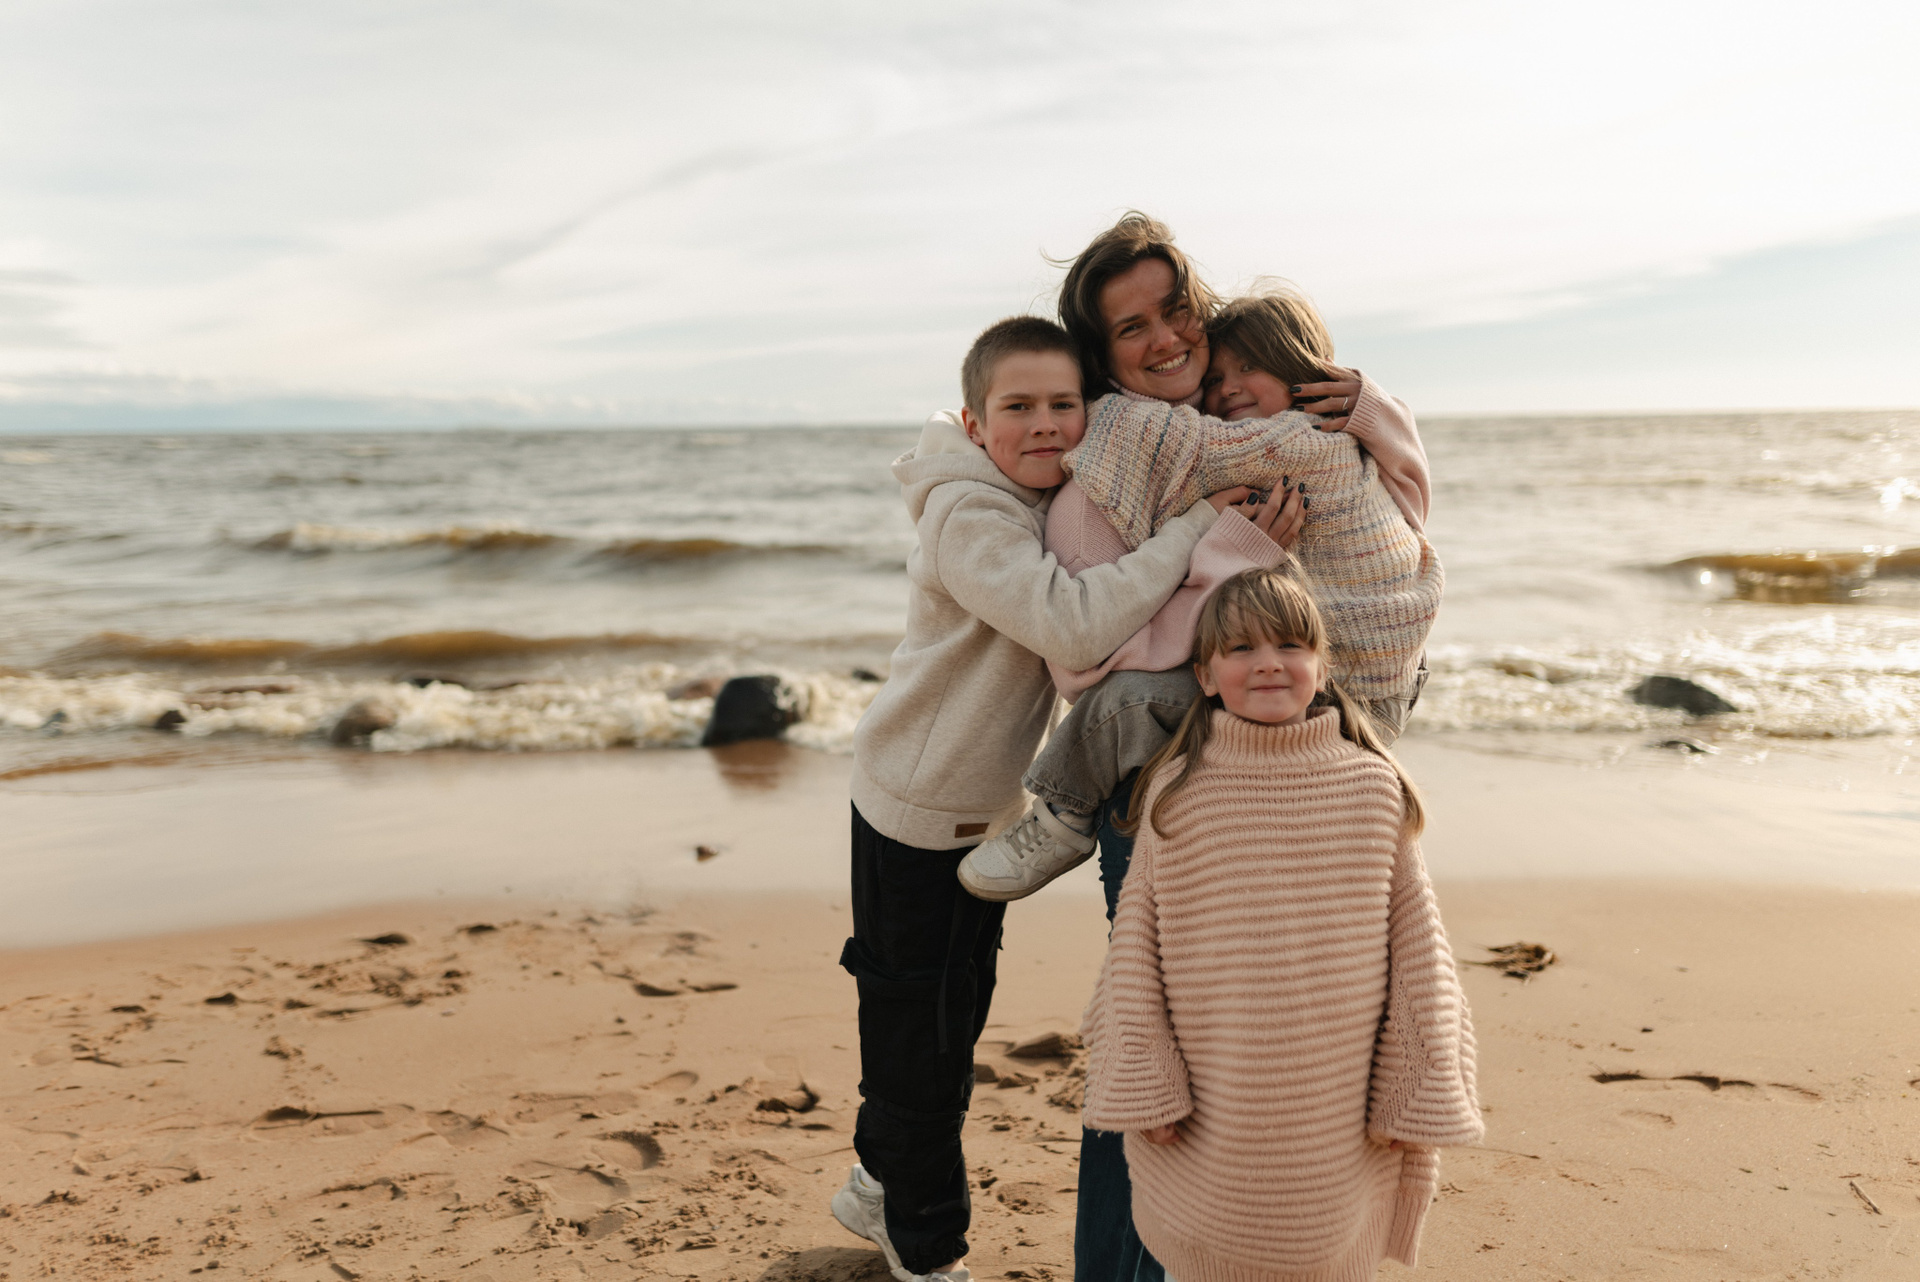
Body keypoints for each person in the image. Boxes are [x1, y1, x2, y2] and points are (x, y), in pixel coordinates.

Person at [955, 213, 1439, 1282]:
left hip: (1305, 783)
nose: (1166, 338)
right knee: (1152, 1044)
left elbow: (1392, 517)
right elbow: (1091, 662)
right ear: (1103, 354)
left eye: (1175, 309)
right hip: (1170, 799)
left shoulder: (1268, 421)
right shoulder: (1108, 478)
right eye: (1131, 328)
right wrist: (1233, 550)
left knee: (1290, 1043)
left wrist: (1370, 408)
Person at [832, 315, 1283, 1282]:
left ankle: (878, 1178)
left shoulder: (1037, 492)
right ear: (973, 421)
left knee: (949, 1013)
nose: (1044, 425)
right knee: (921, 1031)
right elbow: (1073, 625)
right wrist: (1199, 530)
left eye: (1064, 405)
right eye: (1019, 407)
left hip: (979, 805)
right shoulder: (970, 515)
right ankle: (923, 1244)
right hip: (917, 806)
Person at [1081, 567, 1483, 1281]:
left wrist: (1412, 1086)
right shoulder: (1178, 794)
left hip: (1339, 1091)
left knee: (1320, 1239)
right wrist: (1146, 1077)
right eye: (1241, 649)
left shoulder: (1371, 787)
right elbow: (1135, 947)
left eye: (1291, 645)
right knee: (1215, 1235)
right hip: (1216, 1087)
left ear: (1322, 668)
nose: (1268, 662)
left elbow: (1419, 947)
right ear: (1206, 677)